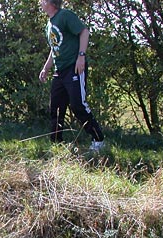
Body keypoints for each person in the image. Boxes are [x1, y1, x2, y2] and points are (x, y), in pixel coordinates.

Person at [38, 0, 105, 150]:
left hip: (73, 67)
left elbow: (84, 32)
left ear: (51, 2)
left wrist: (81, 56)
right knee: (55, 107)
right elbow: (54, 48)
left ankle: (98, 139)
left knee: (77, 104)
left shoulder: (65, 15)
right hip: (59, 70)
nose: (40, 2)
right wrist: (46, 68)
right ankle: (56, 143)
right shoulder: (49, 24)